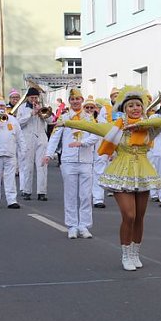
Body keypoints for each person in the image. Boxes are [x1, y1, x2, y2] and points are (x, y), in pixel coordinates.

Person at [57, 85, 161, 270]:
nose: (135, 108)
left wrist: (139, 124)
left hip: (143, 171)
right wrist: (67, 123)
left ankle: (134, 253)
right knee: (129, 215)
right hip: (121, 172)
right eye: (130, 105)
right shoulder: (115, 128)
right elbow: (91, 125)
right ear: (124, 109)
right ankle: (125, 254)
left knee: (140, 217)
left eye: (138, 105)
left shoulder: (149, 128)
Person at [44, 91, 99, 238]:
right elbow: (55, 137)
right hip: (68, 160)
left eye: (77, 99)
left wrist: (82, 143)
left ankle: (84, 226)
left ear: (82, 100)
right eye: (72, 99)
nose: (75, 101)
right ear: (69, 101)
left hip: (86, 161)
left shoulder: (89, 118)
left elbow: (95, 136)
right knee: (70, 194)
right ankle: (72, 225)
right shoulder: (64, 118)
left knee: (86, 195)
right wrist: (49, 154)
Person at [17, 86, 52, 201]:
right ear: (27, 98)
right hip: (27, 138)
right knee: (27, 165)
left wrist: (42, 112)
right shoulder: (22, 108)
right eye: (32, 97)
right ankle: (26, 191)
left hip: (41, 138)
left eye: (36, 97)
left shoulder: (42, 107)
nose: (34, 100)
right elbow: (18, 123)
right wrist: (31, 114)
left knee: (42, 165)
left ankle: (42, 192)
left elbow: (51, 121)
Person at [92, 97, 114, 208]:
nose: (91, 109)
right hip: (84, 150)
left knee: (99, 171)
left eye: (94, 107)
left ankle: (98, 199)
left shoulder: (102, 121)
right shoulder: (82, 119)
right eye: (88, 107)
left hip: (100, 148)